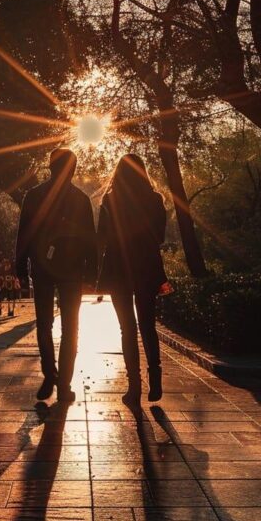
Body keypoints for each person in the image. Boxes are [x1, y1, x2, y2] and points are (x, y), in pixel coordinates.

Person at [16, 148, 97, 402]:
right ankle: (62, 384)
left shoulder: (33, 196)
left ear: (51, 168)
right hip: (71, 270)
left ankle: (51, 375)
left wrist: (20, 266)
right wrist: (92, 272)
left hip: (42, 268)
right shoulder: (80, 199)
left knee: (45, 324)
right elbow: (90, 240)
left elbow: (24, 234)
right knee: (70, 327)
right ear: (72, 169)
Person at [98, 154, 167, 405]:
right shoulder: (155, 200)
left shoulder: (110, 199)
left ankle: (134, 386)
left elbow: (102, 236)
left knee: (126, 328)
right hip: (147, 266)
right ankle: (156, 378)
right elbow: (160, 236)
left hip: (118, 268)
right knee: (148, 325)